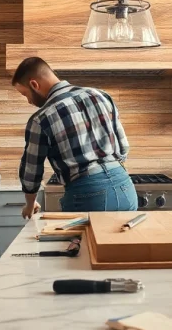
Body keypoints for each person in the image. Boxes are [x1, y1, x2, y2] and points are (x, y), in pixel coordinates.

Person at [11, 57, 137, 218]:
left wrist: (30, 205)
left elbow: (31, 172)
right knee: (120, 243)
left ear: (34, 85)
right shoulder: (100, 95)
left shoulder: (41, 119)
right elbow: (123, 146)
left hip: (87, 193)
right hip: (125, 186)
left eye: (25, 94)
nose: (29, 101)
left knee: (80, 244)